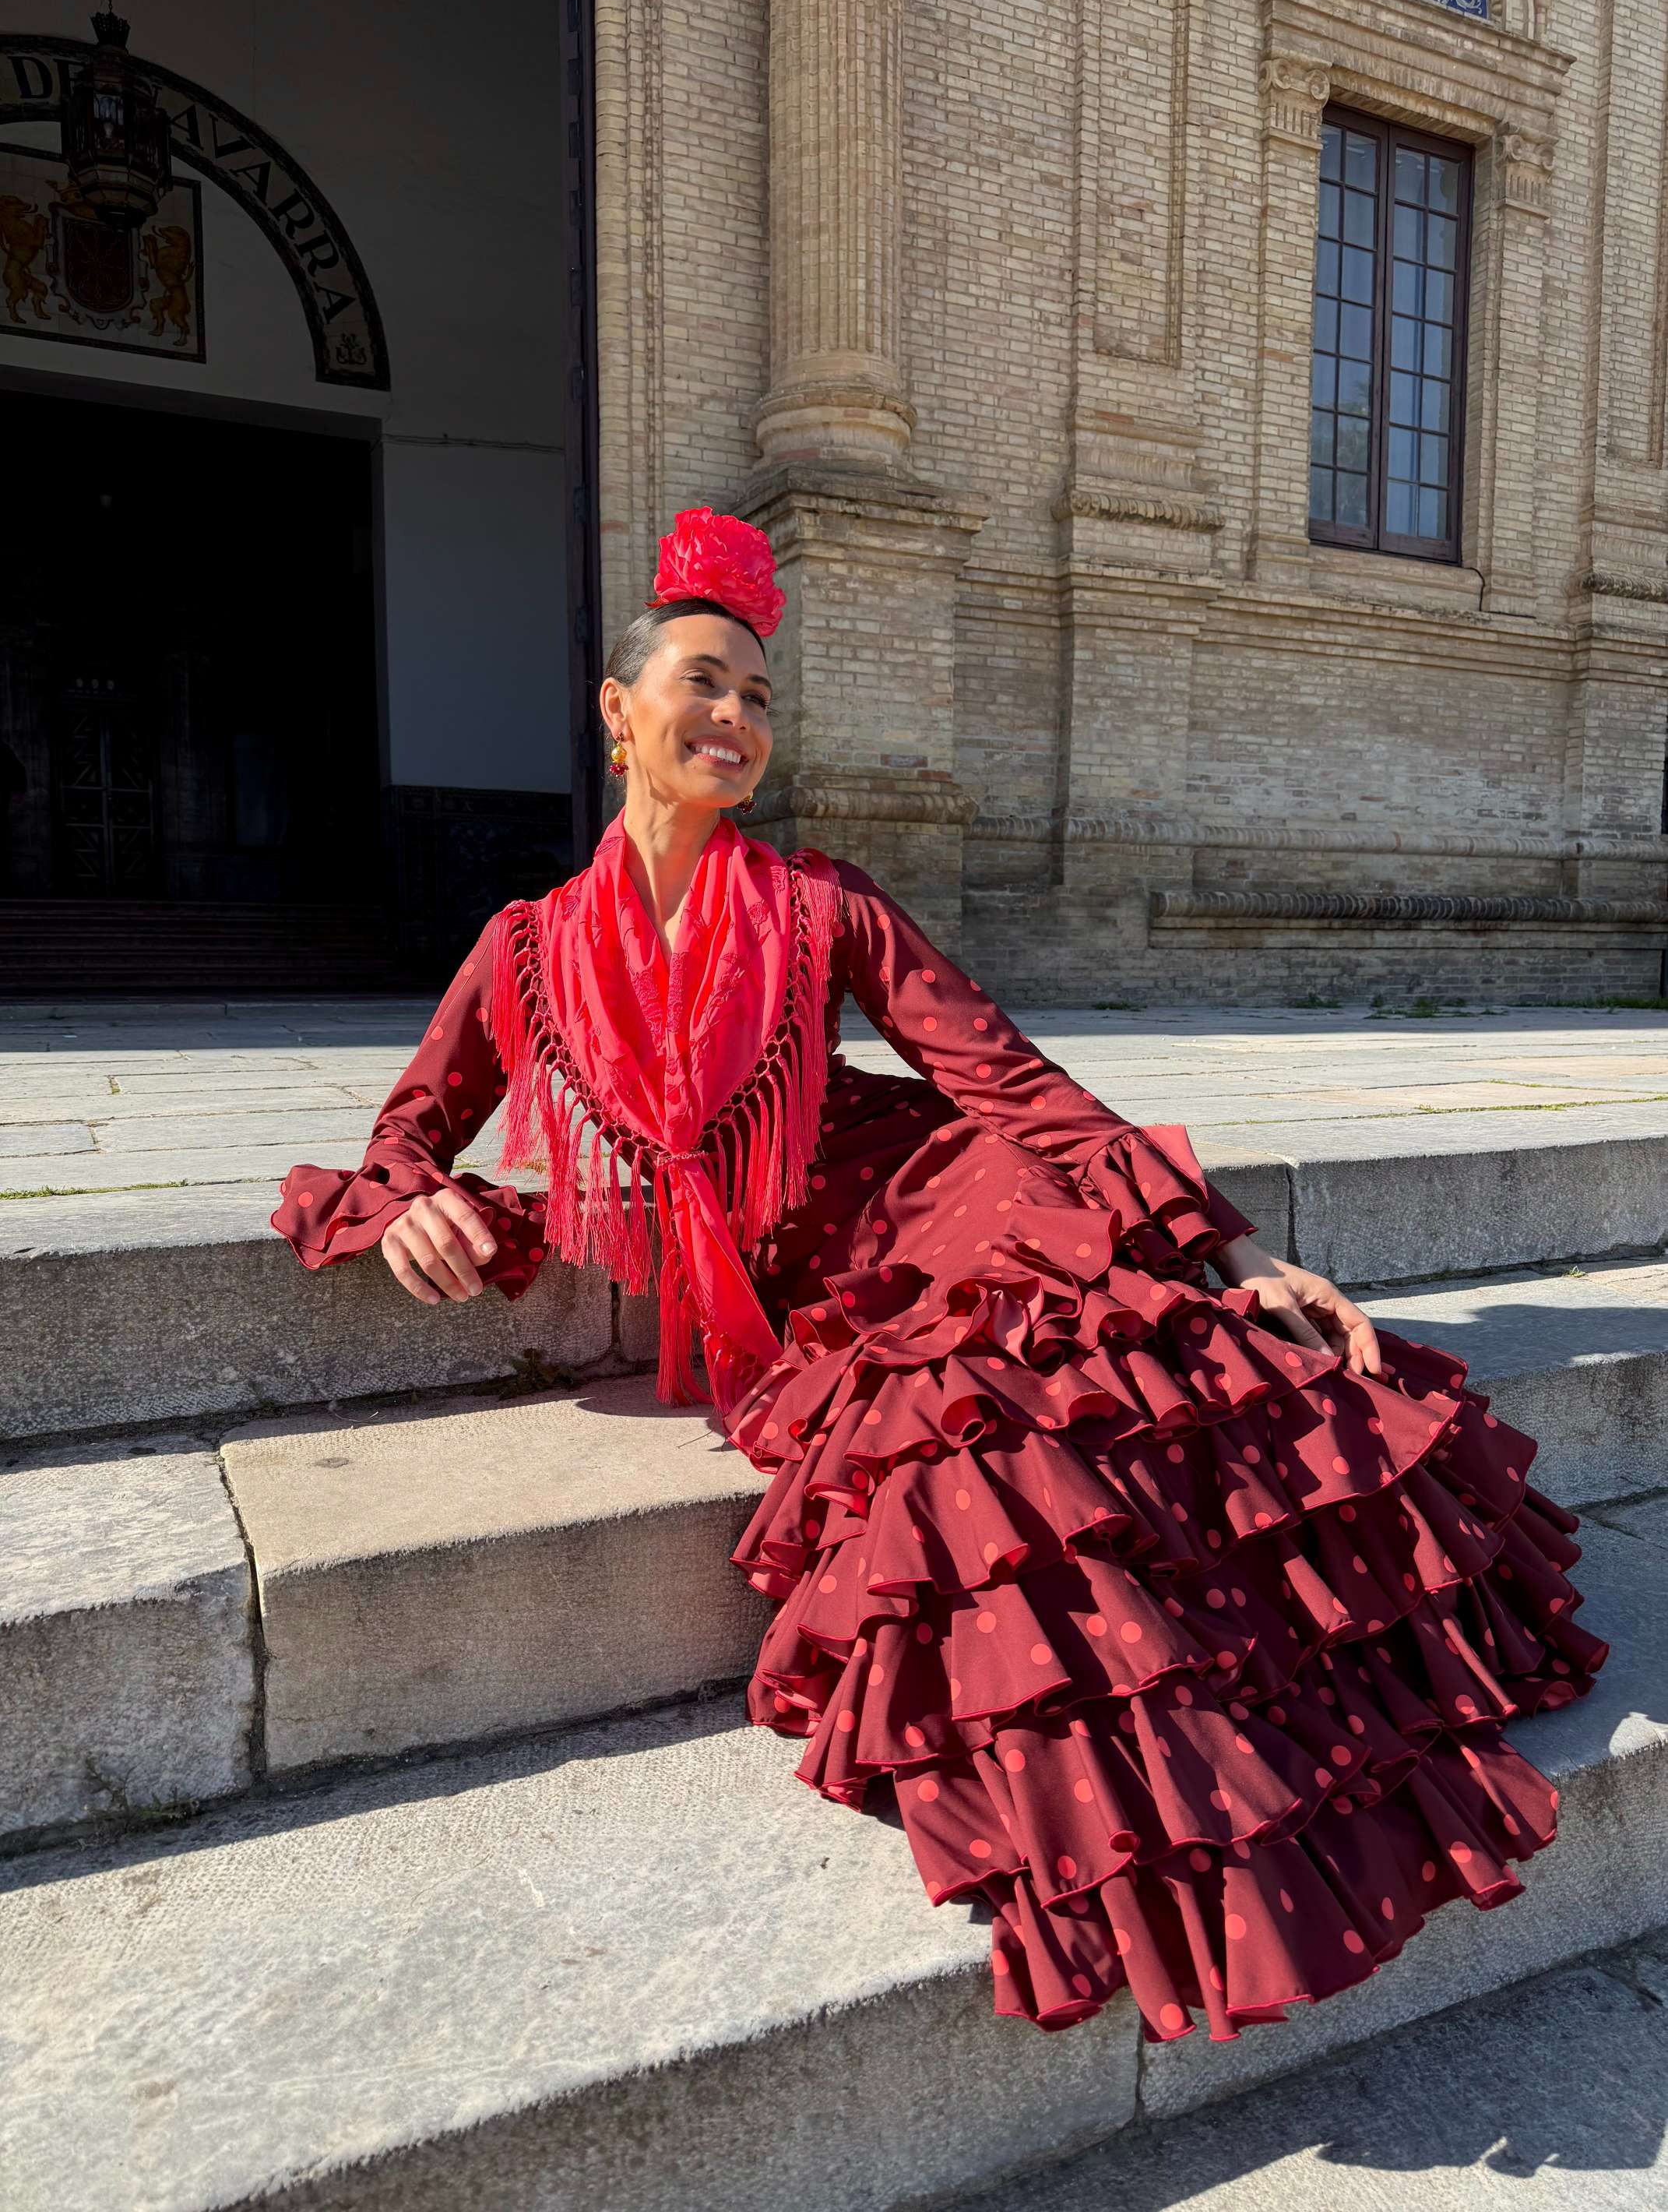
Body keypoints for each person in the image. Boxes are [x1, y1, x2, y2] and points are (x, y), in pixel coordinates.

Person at [273, 506, 1609, 2041]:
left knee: (1089, 1372)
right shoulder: (522, 952)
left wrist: (1242, 1252)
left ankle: (1254, 1717)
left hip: (940, 1191)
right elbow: (405, 1138)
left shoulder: (822, 906)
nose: (735, 718)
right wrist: (409, 1210)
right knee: (972, 1455)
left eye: (760, 699)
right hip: (828, 1288)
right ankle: (1122, 1776)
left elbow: (1014, 1085)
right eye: (705, 683)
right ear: (617, 713)